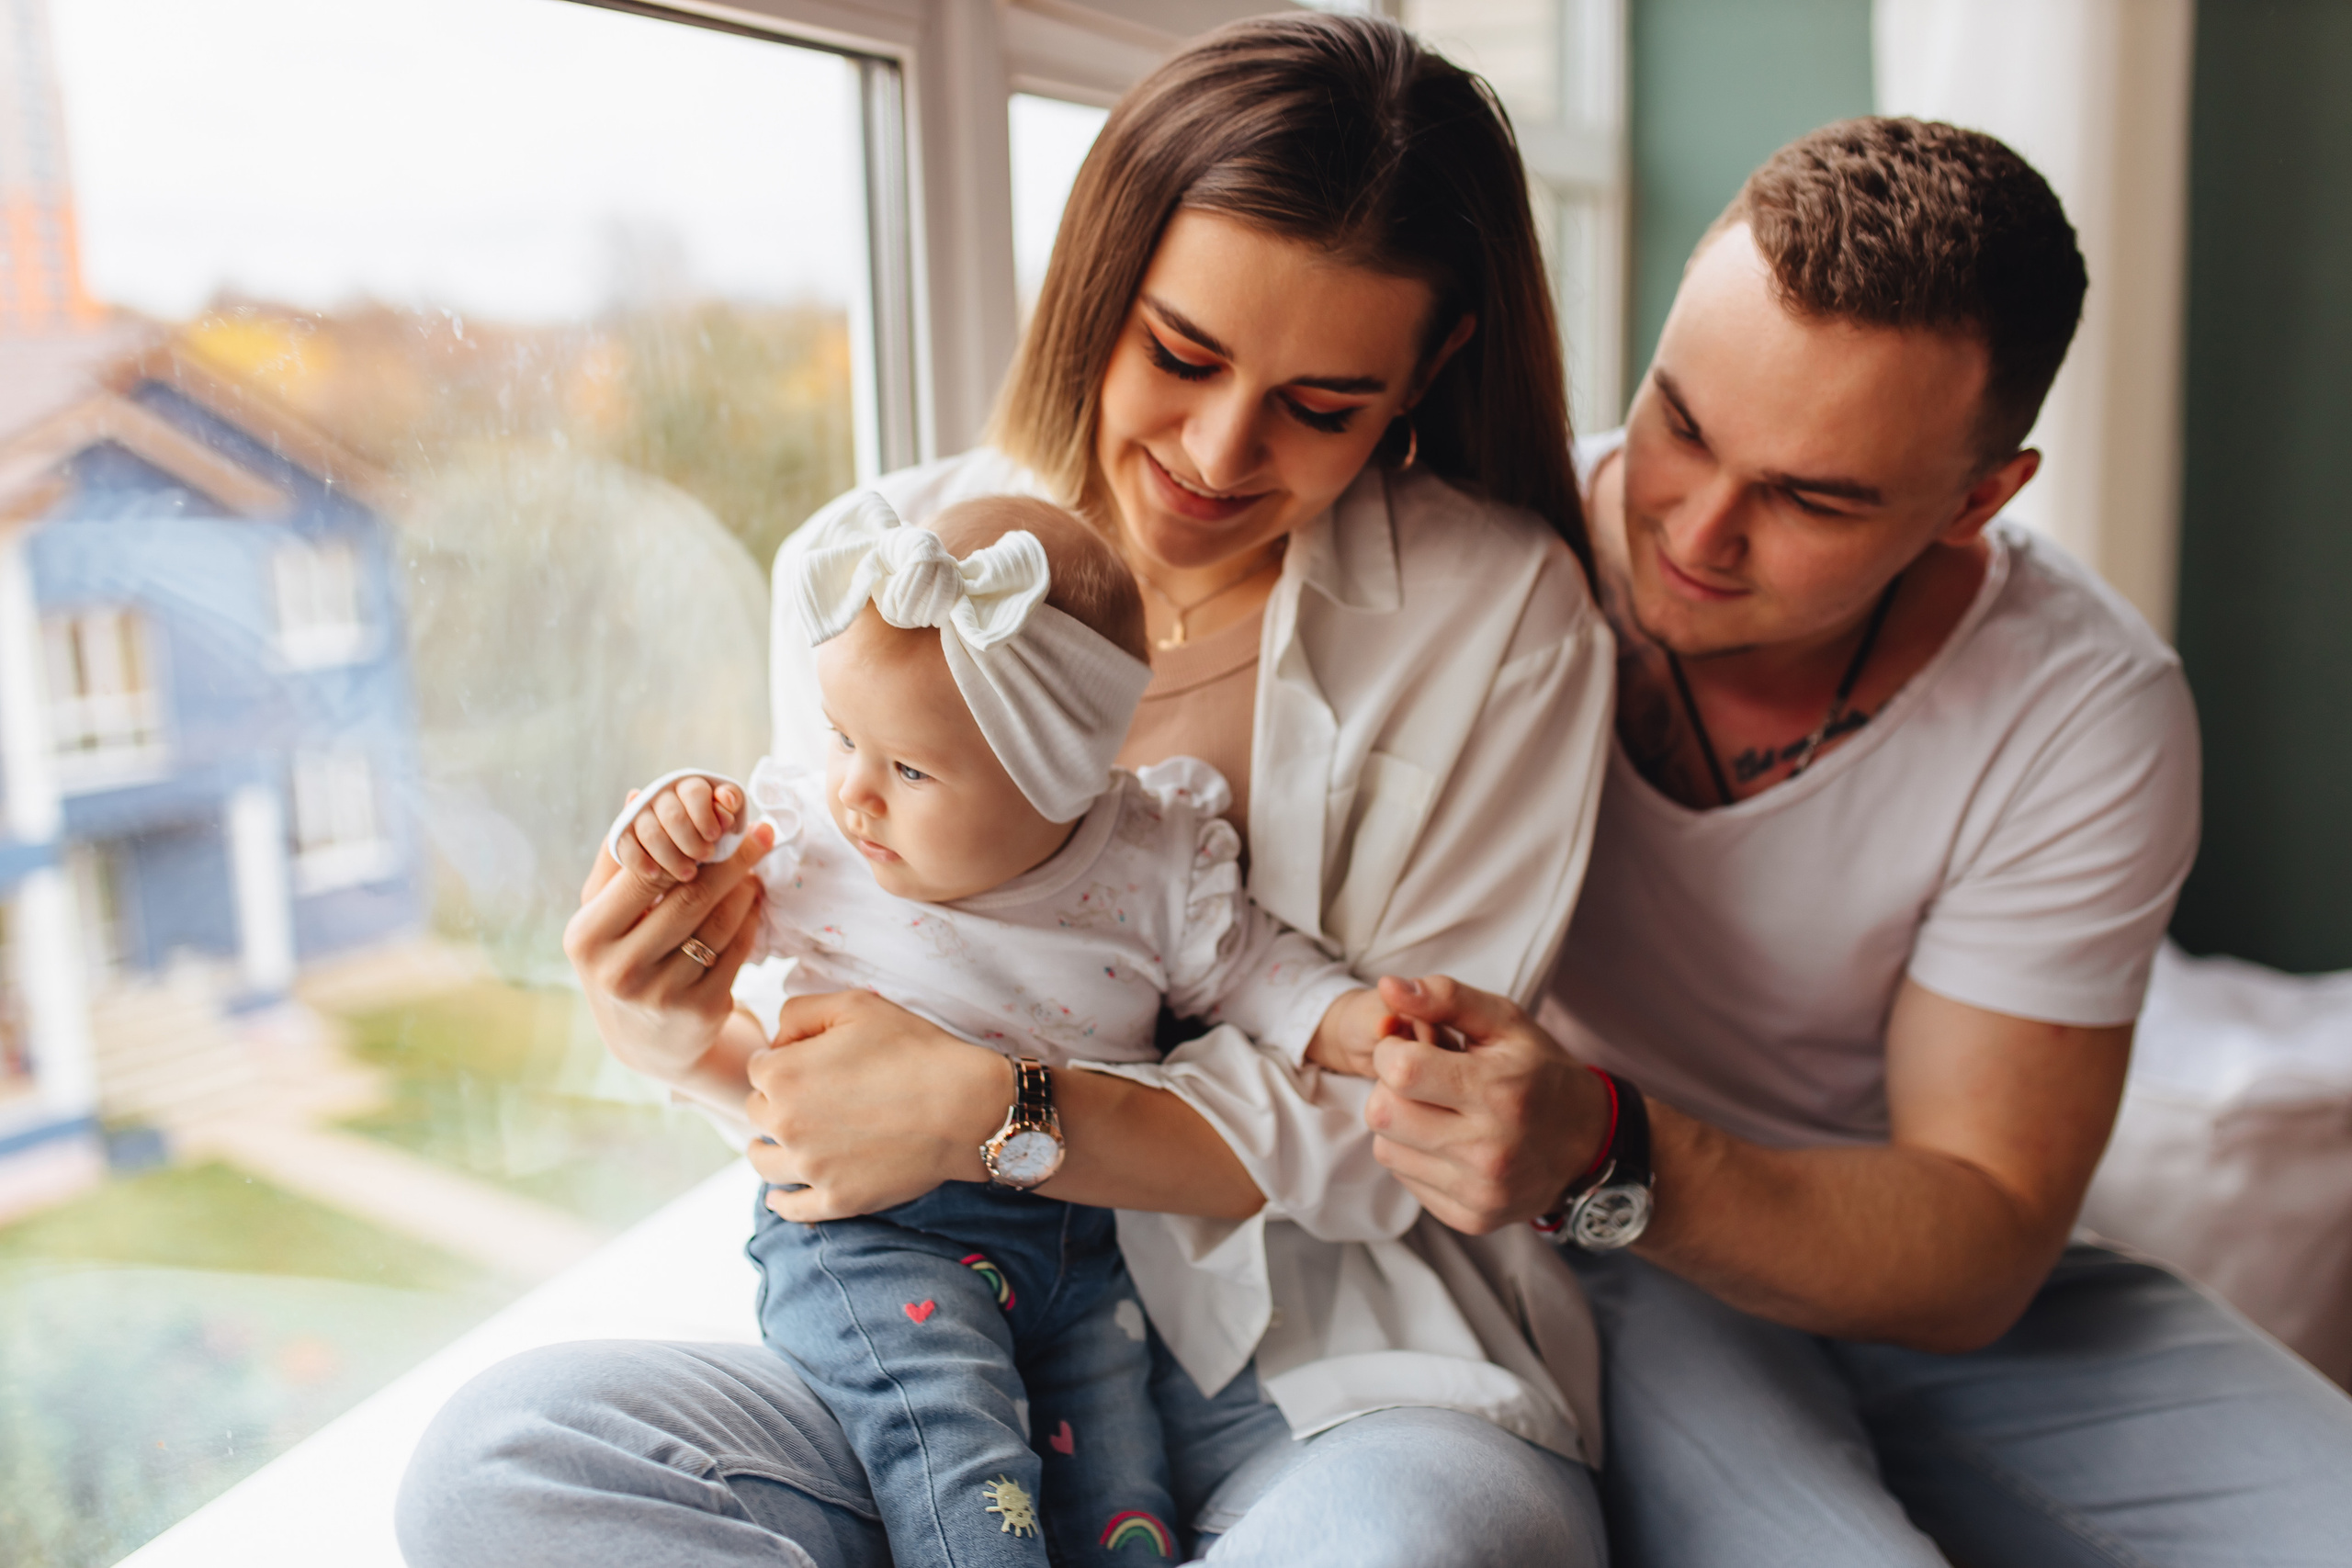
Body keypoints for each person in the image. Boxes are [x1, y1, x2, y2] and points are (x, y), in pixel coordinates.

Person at [396, 15, 1616, 1567]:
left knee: (1406, 1547)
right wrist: (682, 1037)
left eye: (1322, 403)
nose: (1220, 450)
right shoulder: (877, 564)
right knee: (504, 1459)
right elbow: (856, 1033)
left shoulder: (1503, 619)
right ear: (1096, 288)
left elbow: (1393, 1121)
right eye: (1183, 354)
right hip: (944, 1334)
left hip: (1336, 1363)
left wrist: (1007, 1110)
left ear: (1427, 369)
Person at [1359, 117, 2352, 1566]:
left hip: (1887, 1240)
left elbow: (1982, 1234)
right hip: (1572, 1245)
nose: (1695, 528)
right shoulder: (1485, 548)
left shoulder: (2087, 706)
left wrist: (1608, 1136)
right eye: (1682, 421)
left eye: (1814, 497)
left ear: (1976, 503)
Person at [605, 491, 1388, 1568]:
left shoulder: (1152, 863)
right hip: (873, 1232)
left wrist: (1345, 1018)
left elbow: (1252, 968)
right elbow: (675, 887)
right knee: (963, 1479)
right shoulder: (816, 841)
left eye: (908, 770)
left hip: (1077, 1244)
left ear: (1056, 776)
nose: (855, 793)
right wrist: (665, 828)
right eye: (843, 739)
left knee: (1121, 1494)